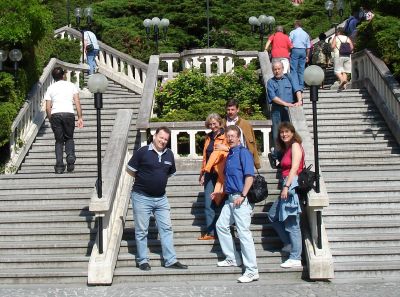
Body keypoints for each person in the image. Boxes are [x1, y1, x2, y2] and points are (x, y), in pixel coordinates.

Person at [126, 126, 188, 271]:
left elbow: (169, 173)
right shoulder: (142, 152)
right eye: (161, 137)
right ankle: (142, 260)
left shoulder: (169, 154)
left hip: (161, 198)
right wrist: (145, 181)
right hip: (142, 197)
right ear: (154, 136)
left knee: (166, 228)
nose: (163, 141)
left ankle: (170, 260)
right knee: (142, 230)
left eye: (166, 139)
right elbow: (130, 170)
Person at [214, 125, 258, 283]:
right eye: (228, 136)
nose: (230, 138)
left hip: (241, 199)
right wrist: (220, 192)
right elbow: (230, 179)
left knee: (244, 233)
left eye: (233, 135)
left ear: (239, 137)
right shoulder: (230, 154)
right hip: (230, 198)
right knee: (221, 225)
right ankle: (233, 257)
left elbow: (249, 176)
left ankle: (252, 270)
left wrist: (243, 195)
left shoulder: (243, 153)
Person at [267, 122, 304, 269]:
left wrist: (287, 187)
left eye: (287, 132)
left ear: (293, 132)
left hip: (291, 185)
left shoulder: (295, 145)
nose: (284, 134)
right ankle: (289, 244)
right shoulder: (287, 148)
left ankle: (295, 257)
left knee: (292, 223)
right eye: (282, 132)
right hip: (287, 184)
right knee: (273, 216)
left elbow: (295, 168)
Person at [45, 67, 83, 174]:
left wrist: (50, 119)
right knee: (69, 138)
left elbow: (48, 107)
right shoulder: (71, 85)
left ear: (53, 77)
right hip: (69, 114)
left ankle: (59, 166)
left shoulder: (50, 88)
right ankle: (70, 156)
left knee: (59, 141)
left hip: (55, 114)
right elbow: (77, 102)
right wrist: (80, 117)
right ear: (63, 75)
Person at [198, 113, 229, 240]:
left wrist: (225, 147)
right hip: (210, 172)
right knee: (208, 202)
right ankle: (211, 232)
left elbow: (235, 148)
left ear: (220, 123)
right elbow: (205, 157)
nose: (212, 126)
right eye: (210, 124)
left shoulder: (226, 135)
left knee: (222, 202)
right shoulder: (208, 137)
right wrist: (202, 173)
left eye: (214, 123)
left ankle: (224, 231)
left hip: (222, 172)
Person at [266, 61, 303, 168]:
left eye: (279, 69)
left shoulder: (289, 78)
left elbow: (297, 89)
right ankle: (279, 157)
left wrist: (299, 101)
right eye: (275, 69)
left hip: (290, 110)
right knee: (278, 134)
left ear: (282, 68)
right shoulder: (270, 82)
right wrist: (286, 103)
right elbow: (273, 98)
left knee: (290, 133)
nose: (277, 71)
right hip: (277, 110)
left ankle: (291, 155)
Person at [224, 99, 261, 169]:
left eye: (232, 109)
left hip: (243, 157)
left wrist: (256, 162)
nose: (230, 112)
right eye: (228, 110)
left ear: (237, 110)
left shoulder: (246, 124)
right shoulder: (222, 124)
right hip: (227, 158)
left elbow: (252, 144)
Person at [289, 20, 311, 90]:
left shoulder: (293, 32)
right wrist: (307, 56)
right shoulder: (306, 34)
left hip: (295, 50)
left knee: (294, 69)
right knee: (301, 69)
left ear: (296, 25)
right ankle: (301, 86)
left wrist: (289, 51)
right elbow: (308, 47)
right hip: (303, 51)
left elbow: (289, 42)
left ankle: (295, 86)